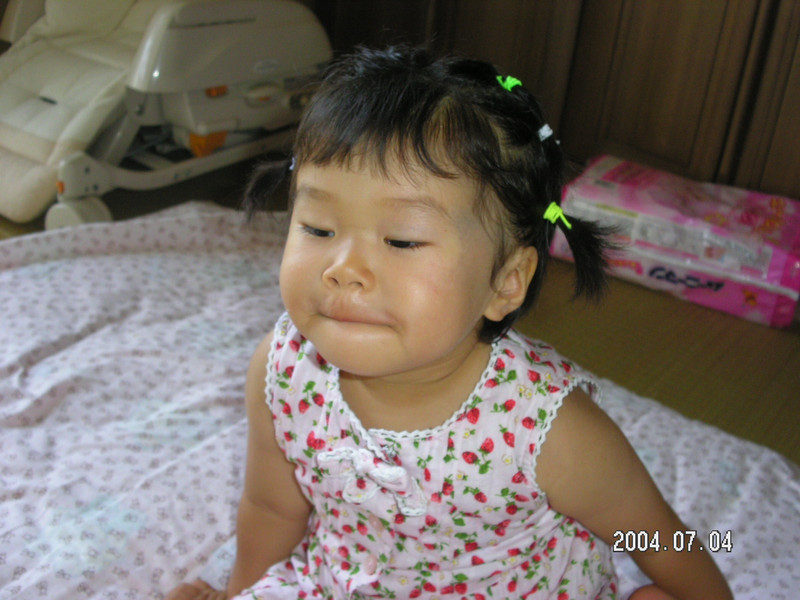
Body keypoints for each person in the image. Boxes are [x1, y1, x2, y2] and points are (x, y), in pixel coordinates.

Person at [166, 46, 732, 600]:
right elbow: (271, 507)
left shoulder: (548, 429)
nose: (343, 269)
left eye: (401, 240)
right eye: (318, 228)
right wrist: (241, 591)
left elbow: (659, 538)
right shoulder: (285, 371)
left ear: (505, 282)